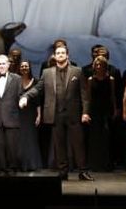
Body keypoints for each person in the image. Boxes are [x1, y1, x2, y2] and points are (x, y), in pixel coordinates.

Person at [20, 44, 94, 180]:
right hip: (55, 113)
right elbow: (38, 88)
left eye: (62, 52)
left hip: (73, 113)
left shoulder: (77, 71)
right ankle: (63, 171)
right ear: (54, 56)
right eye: (58, 53)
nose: (60, 55)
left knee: (78, 143)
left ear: (67, 55)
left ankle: (83, 171)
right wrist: (26, 96)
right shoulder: (47, 73)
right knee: (59, 144)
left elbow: (84, 94)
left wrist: (85, 112)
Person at [85, 55, 117, 172]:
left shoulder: (111, 79)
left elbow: (112, 96)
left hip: (106, 110)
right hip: (94, 111)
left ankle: (106, 164)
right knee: (95, 138)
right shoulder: (90, 80)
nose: (99, 67)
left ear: (105, 66)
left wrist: (114, 110)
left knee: (106, 137)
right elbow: (88, 98)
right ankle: (95, 164)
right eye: (97, 65)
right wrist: (86, 112)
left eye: (101, 65)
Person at [17, 61, 43, 171]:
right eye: (22, 66)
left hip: (31, 113)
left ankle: (32, 164)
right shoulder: (15, 81)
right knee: (20, 139)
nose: (24, 68)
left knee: (30, 138)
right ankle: (20, 164)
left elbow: (38, 101)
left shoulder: (36, 81)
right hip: (18, 113)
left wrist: (39, 115)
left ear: (30, 68)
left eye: (26, 66)